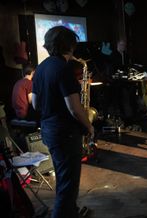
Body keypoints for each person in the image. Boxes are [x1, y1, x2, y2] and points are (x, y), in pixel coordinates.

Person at [32, 26, 94, 218]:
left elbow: (35, 104)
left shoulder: (41, 67)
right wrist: (89, 126)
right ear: (70, 46)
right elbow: (75, 109)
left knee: (63, 176)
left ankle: (71, 212)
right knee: (68, 185)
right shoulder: (64, 69)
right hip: (66, 133)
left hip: (49, 130)